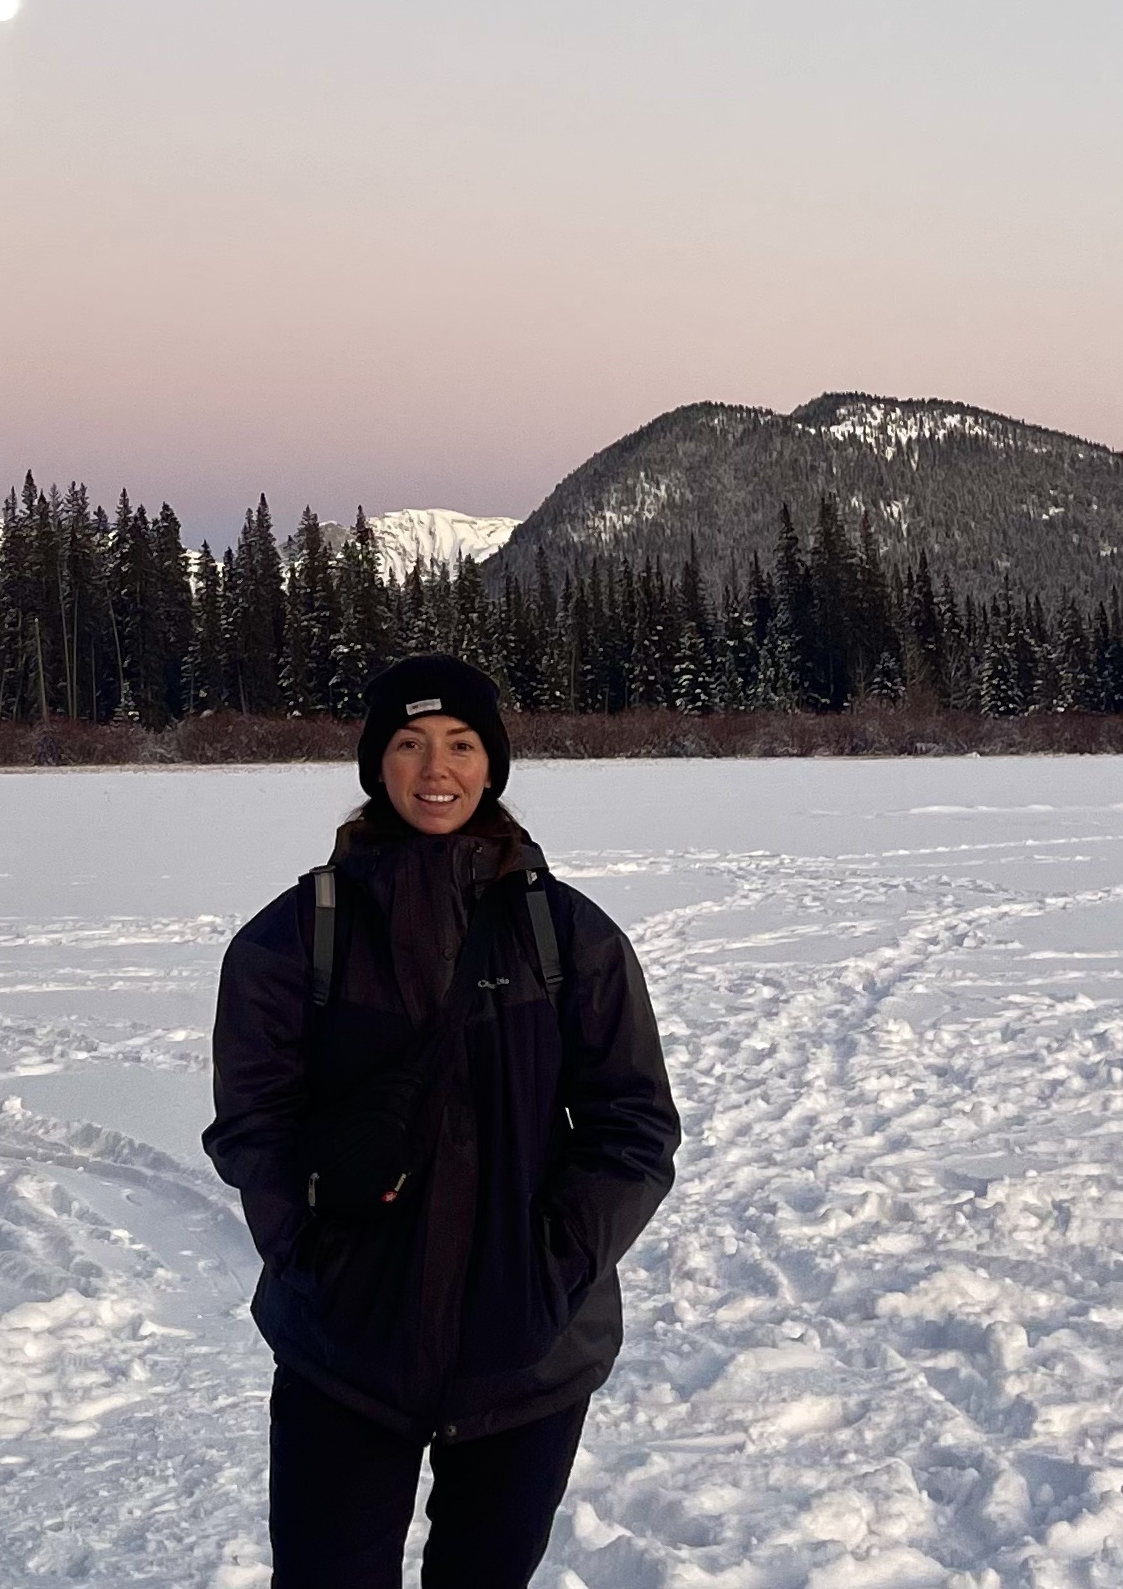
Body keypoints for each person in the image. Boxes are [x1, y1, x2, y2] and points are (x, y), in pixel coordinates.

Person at [204, 653, 680, 1589]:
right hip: (346, 1350)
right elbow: (251, 1127)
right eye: (410, 744)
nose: (437, 770)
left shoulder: (568, 937)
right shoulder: (296, 936)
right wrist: (316, 1262)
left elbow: (635, 1124)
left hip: (529, 1353)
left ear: (492, 764)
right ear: (376, 765)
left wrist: (558, 1264)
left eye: (462, 745)